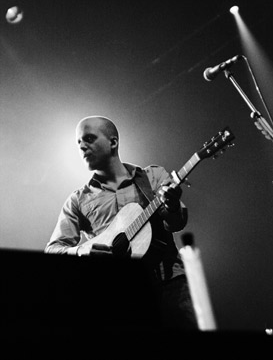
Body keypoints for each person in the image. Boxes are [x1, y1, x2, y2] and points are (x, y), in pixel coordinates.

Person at [45, 115, 198, 331]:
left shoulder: (152, 177)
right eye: (78, 143)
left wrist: (172, 205)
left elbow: (176, 223)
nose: (82, 147)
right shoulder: (78, 199)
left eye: (89, 138)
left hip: (169, 285)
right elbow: (53, 249)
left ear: (113, 142)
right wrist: (81, 251)